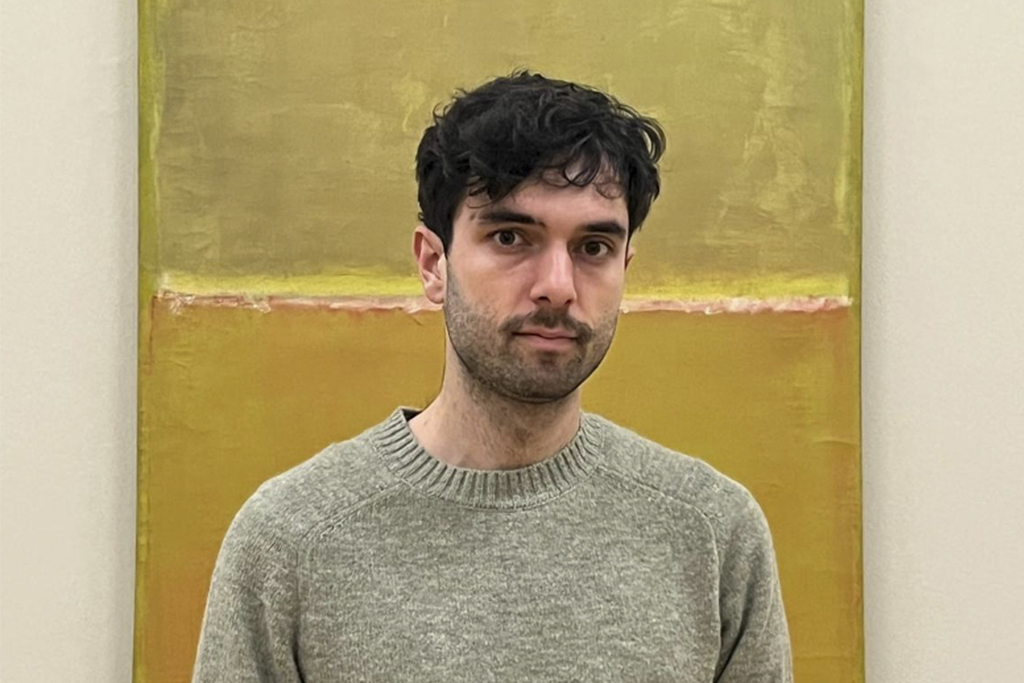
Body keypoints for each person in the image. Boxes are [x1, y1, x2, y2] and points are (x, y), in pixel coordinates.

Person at [192, 71, 793, 683]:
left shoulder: (713, 533)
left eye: (593, 248)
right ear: (434, 263)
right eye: (511, 237)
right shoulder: (291, 541)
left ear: (625, 268)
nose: (557, 286)